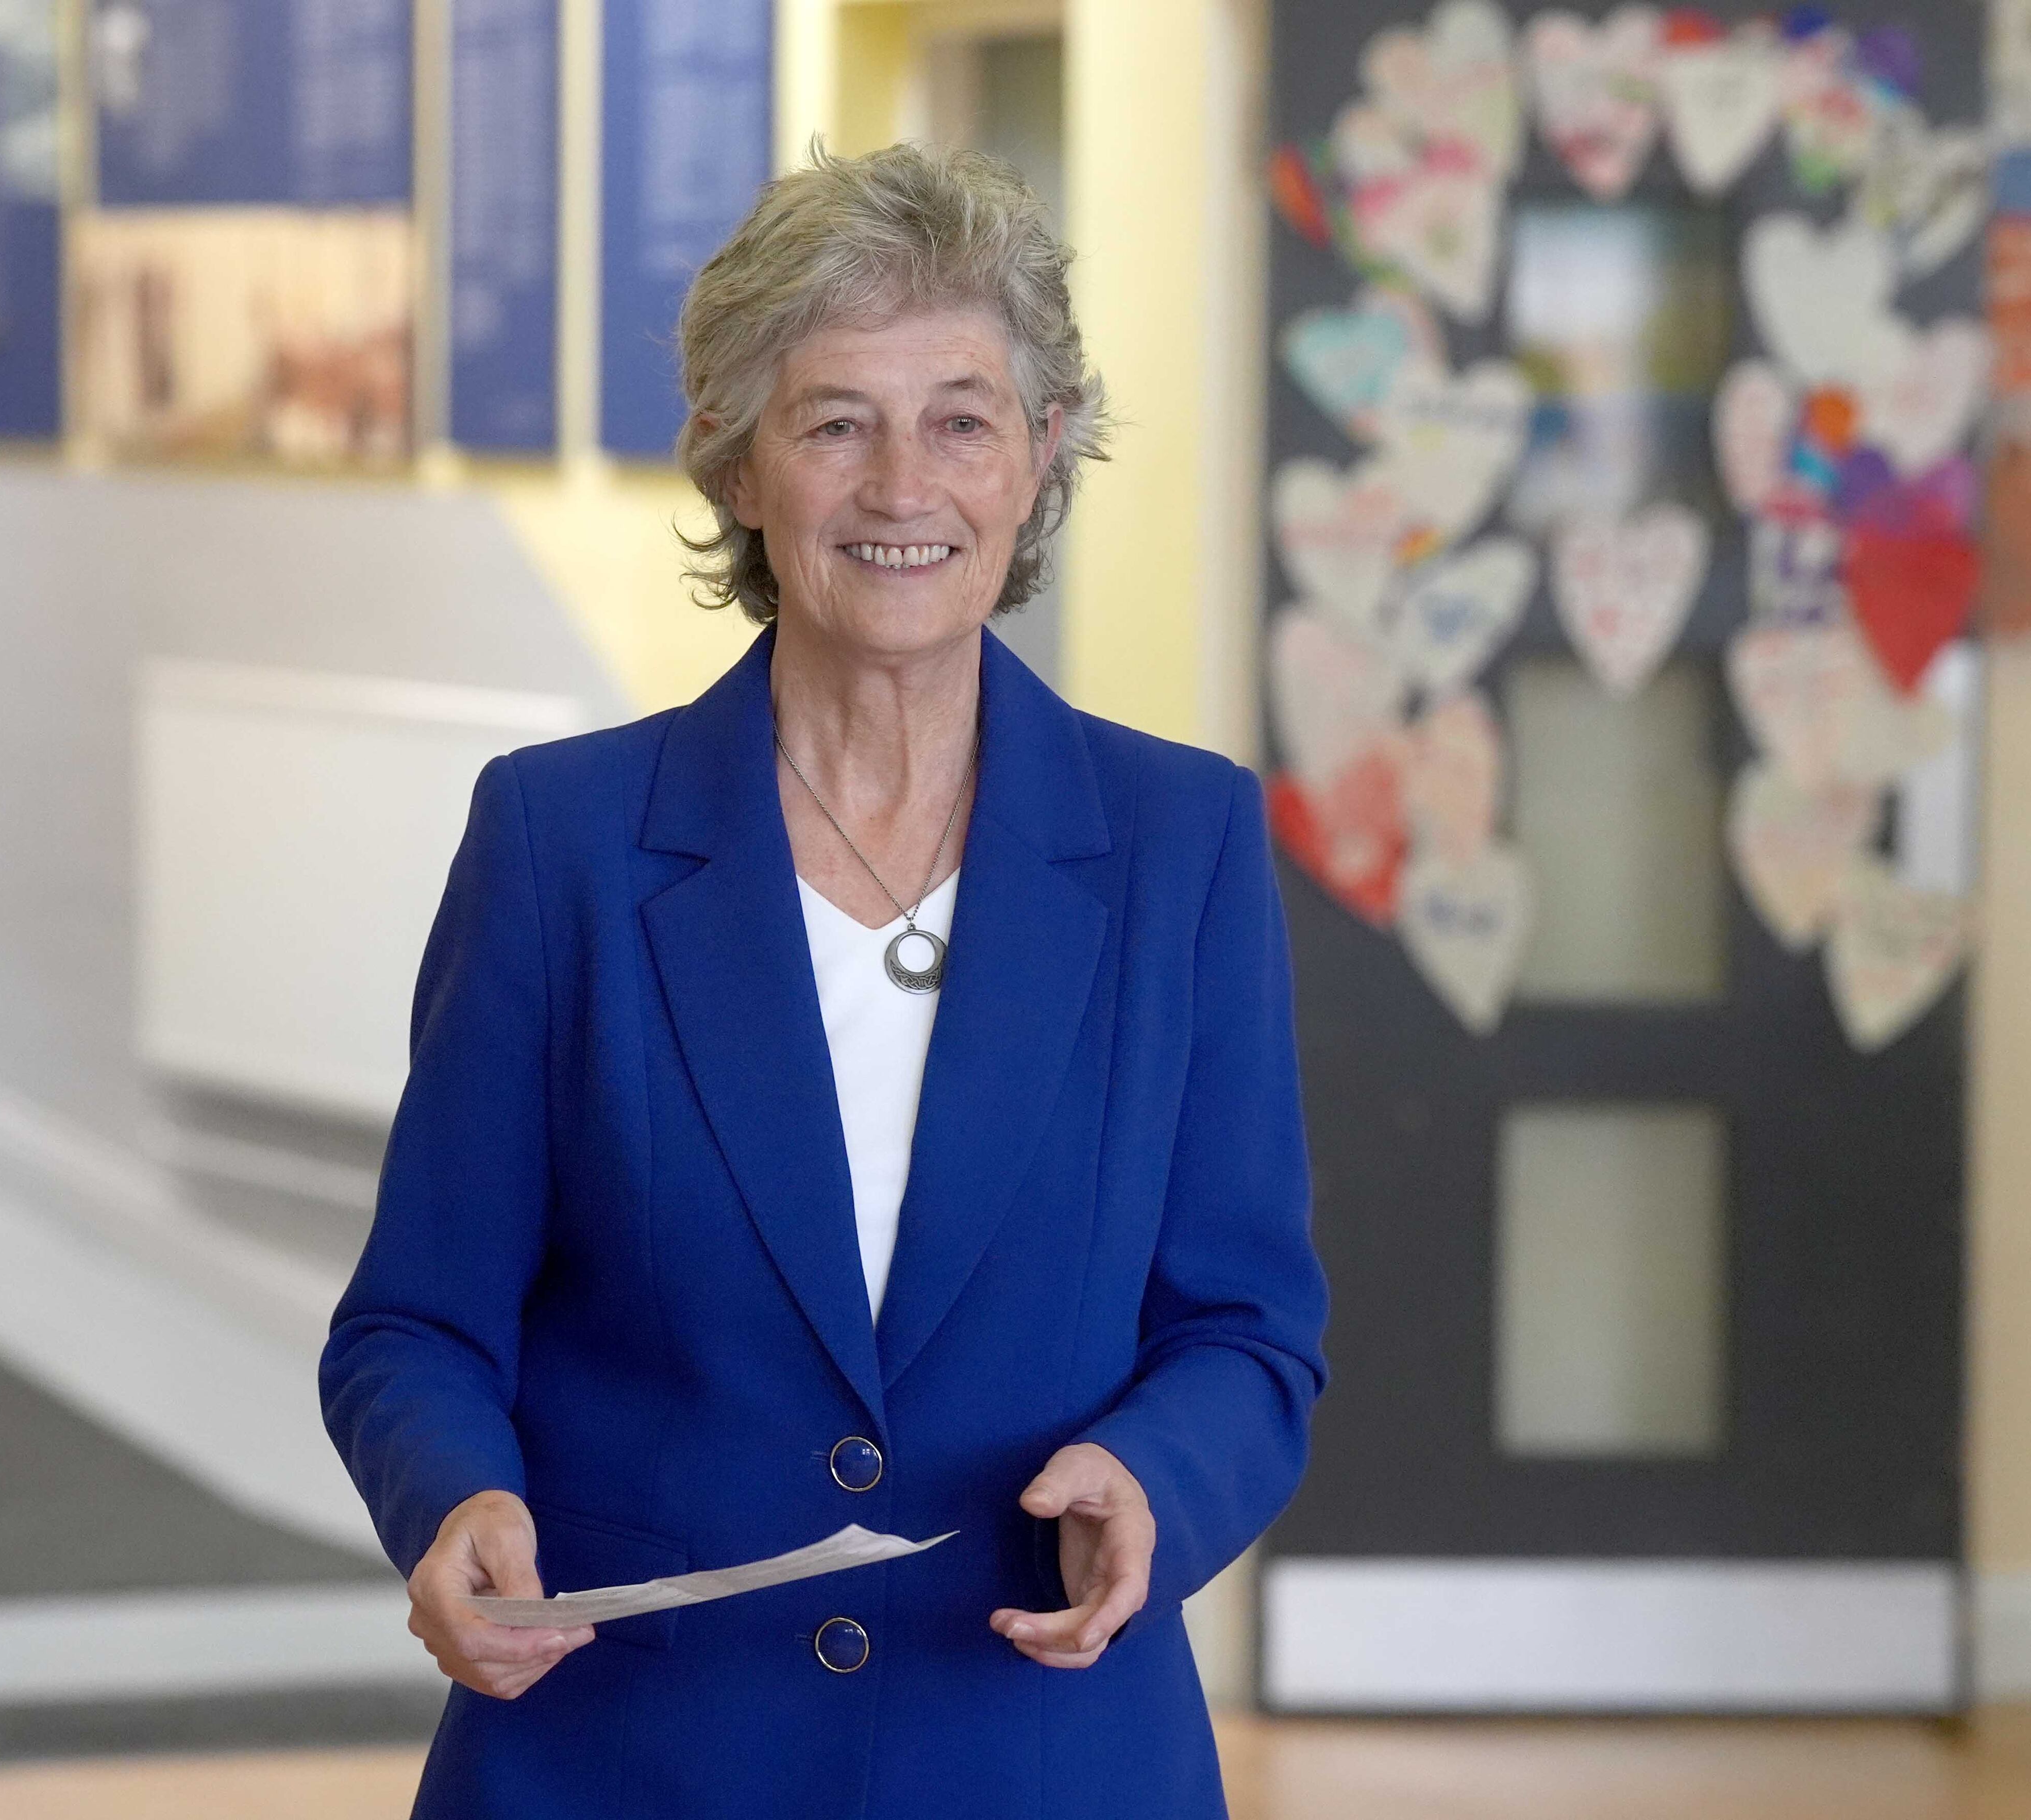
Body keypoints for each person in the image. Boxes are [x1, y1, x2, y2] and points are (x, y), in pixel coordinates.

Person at [320, 141, 1327, 1817]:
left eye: (962, 417)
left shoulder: (1186, 844)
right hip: (626, 1757)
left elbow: (1249, 1328)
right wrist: (450, 1498)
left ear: (1041, 454)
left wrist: (1157, 1475)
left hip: (1040, 1752)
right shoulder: (560, 843)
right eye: (835, 419)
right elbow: (415, 1324)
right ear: (738, 466)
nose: (902, 486)